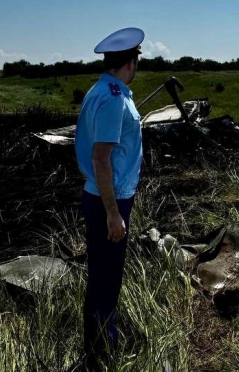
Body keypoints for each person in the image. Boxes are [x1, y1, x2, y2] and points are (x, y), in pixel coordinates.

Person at [74, 27, 145, 369]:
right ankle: (100, 355)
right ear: (131, 62)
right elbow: (101, 158)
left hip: (102, 196)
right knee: (106, 280)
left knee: (101, 276)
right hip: (109, 200)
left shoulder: (100, 90)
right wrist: (113, 213)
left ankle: (99, 346)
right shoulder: (114, 99)